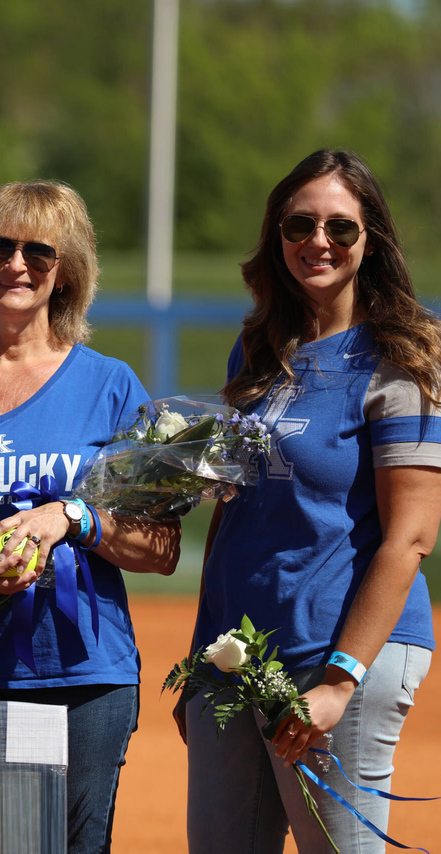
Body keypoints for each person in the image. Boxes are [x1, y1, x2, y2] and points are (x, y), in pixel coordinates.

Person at [0, 181, 181, 853]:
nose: (15, 264)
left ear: (66, 271)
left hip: (80, 679)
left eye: (38, 251)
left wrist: (73, 517)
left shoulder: (110, 387)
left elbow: (160, 547)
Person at [179, 149, 439, 853]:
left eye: (340, 228)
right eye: (299, 224)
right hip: (240, 650)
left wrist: (340, 680)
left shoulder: (400, 357)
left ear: (371, 241)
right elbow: (236, 513)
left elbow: (410, 538)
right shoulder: (259, 348)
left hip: (336, 648)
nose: (317, 242)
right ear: (276, 235)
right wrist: (206, 657)